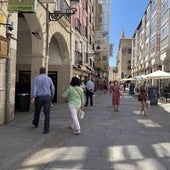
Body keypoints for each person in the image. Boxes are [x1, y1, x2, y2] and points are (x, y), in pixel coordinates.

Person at [31, 67, 55, 134]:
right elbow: (52, 88)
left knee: (37, 111)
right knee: (47, 114)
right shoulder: (49, 78)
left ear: (39, 71)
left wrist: (33, 97)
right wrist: (52, 96)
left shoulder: (36, 78)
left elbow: (34, 88)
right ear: (45, 71)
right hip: (47, 97)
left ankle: (35, 123)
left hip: (38, 97)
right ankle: (46, 129)